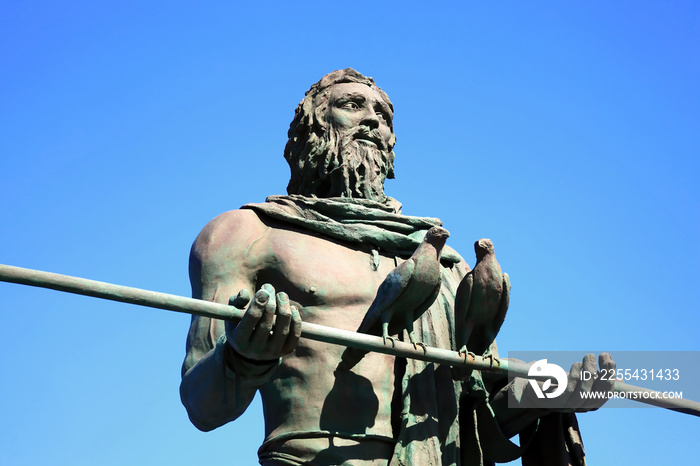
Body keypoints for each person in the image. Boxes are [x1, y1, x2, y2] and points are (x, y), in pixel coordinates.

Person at [180, 69, 614, 466]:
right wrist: (242, 357)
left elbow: (477, 413)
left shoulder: (444, 261)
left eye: (384, 115)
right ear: (313, 126)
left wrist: (550, 391)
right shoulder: (248, 234)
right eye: (352, 105)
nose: (373, 120)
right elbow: (203, 405)